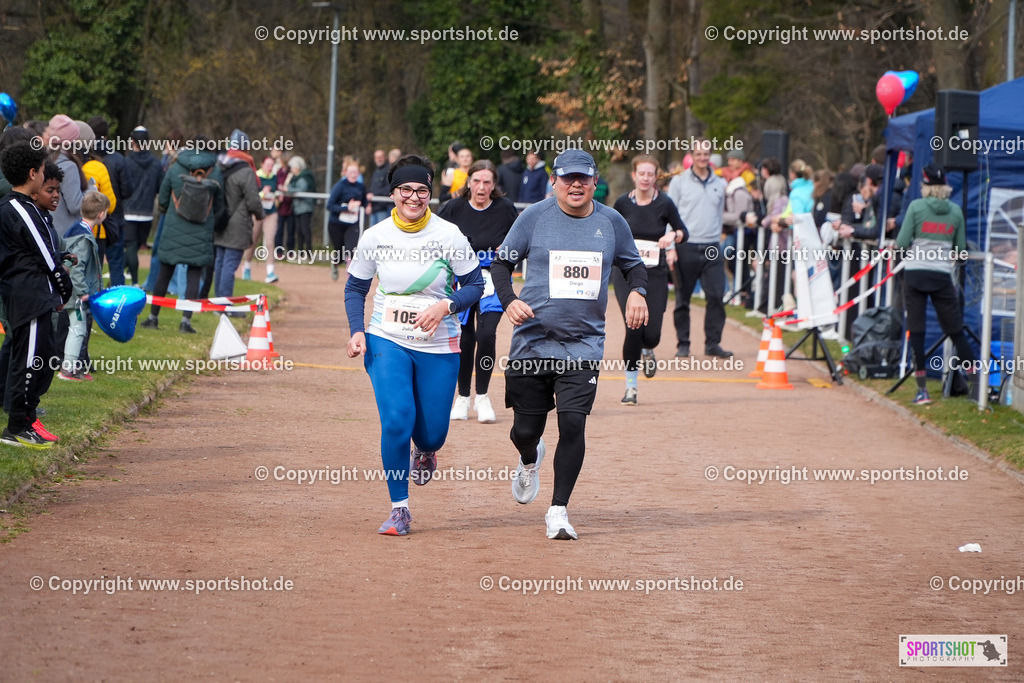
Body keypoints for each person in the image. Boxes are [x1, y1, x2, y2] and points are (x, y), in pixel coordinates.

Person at [489, 149, 648, 540]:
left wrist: (638, 292)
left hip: (583, 345)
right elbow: (501, 263)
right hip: (532, 341)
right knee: (524, 430)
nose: (575, 185)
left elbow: (634, 265)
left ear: (596, 182)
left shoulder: (612, 222)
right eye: (567, 178)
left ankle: (558, 510)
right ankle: (530, 458)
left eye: (583, 178)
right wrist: (509, 301)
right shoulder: (535, 217)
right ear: (555, 182)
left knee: (573, 423)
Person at [344, 154, 484, 536]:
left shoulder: (448, 234)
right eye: (406, 189)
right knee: (396, 419)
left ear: (430, 194)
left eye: (422, 190)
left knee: (431, 432)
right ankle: (399, 508)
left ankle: (426, 451)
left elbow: (476, 284)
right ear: (393, 193)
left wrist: (446, 305)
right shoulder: (375, 237)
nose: (414, 197)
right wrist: (358, 330)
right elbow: (356, 287)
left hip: (439, 345)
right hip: (386, 337)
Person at [0, 141, 73, 447]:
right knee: (28, 361)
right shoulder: (18, 207)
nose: (46, 176)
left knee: (37, 356)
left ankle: (27, 419)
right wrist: (63, 285)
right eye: (43, 171)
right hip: (28, 296)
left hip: (33, 295)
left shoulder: (23, 206)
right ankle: (16, 425)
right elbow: (44, 253)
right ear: (32, 174)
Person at [438, 160, 519, 423]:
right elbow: (435, 238)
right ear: (468, 182)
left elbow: (518, 242)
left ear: (494, 185)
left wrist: (506, 253)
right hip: (461, 278)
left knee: (486, 334)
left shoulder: (505, 209)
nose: (481, 187)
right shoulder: (453, 208)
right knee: (465, 336)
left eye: (487, 182)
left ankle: (482, 397)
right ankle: (462, 397)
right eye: (476, 181)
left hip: (493, 278)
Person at [895, 164, 975, 405]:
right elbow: (961, 251)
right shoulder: (955, 212)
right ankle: (978, 387)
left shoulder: (916, 207)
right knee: (955, 331)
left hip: (915, 274)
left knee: (917, 331)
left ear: (925, 185)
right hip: (941, 276)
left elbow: (901, 243)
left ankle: (922, 391)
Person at [611, 155, 687, 404]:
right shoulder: (622, 203)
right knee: (633, 325)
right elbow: (610, 231)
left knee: (651, 334)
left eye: (650, 174)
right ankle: (631, 387)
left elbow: (683, 231)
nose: (645, 178)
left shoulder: (664, 203)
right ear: (633, 175)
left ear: (656, 177)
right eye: (641, 173)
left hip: (654, 273)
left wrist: (672, 236)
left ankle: (648, 349)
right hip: (627, 273)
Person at [140, 136, 224, 333]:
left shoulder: (176, 166)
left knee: (165, 273)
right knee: (194, 275)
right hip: (201, 229)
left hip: (173, 226)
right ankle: (186, 322)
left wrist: (168, 211)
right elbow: (220, 203)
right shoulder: (215, 171)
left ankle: (153, 317)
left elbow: (162, 197)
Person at [667, 143, 732, 358]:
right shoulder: (679, 181)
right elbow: (670, 214)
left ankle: (713, 343)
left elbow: (721, 213)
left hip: (712, 245)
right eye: (698, 154)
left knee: (716, 295)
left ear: (710, 156)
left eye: (706, 154)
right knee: (682, 298)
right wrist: (671, 246)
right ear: (692, 156)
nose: (703, 157)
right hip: (686, 245)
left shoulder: (720, 183)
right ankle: (683, 344)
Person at [60, 190, 106, 381]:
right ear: (101, 214)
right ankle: (67, 370)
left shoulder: (76, 229)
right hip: (77, 295)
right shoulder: (83, 238)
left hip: (74, 292)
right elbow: (76, 267)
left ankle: (75, 367)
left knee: (79, 328)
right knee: (77, 329)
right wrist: (82, 292)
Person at [214, 129, 264, 303]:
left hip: (219, 220)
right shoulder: (246, 170)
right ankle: (224, 303)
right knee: (229, 264)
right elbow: (253, 199)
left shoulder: (218, 164)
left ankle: (218, 302)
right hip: (238, 223)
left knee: (220, 261)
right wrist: (260, 215)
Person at [88, 116, 134, 286]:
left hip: (92, 220)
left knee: (92, 265)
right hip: (114, 217)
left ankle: (92, 306)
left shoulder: (84, 159)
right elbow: (128, 190)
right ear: (106, 136)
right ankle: (118, 304)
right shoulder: (118, 159)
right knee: (116, 265)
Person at [123, 126, 163, 286]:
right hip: (147, 212)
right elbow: (160, 188)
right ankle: (128, 278)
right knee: (136, 248)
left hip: (129, 211)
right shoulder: (156, 163)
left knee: (131, 248)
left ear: (132, 141)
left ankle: (133, 280)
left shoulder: (126, 162)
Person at [326, 160, 369, 280]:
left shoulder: (361, 187)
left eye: (356, 172)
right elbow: (329, 206)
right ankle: (335, 263)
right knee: (339, 252)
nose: (354, 174)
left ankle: (350, 274)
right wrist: (346, 208)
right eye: (351, 172)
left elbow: (364, 203)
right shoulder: (339, 186)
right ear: (345, 173)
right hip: (336, 224)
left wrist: (367, 207)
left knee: (351, 249)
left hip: (353, 224)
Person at [243, 155, 279, 283]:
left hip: (271, 213)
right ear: (262, 164)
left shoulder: (274, 177)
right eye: (268, 165)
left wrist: (278, 195)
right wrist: (263, 193)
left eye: (272, 165)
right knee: (252, 241)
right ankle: (247, 267)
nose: (270, 168)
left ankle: (270, 272)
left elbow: (276, 191)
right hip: (257, 212)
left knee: (269, 241)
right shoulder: (255, 176)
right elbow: (250, 195)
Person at [286, 156, 315, 255]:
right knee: (298, 231)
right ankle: (300, 252)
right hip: (297, 208)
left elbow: (301, 190)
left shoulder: (304, 178)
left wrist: (288, 189)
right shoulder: (295, 178)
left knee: (305, 230)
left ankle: (308, 252)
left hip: (305, 207)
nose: (291, 169)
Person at [367, 148, 391, 226]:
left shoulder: (389, 170)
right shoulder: (376, 171)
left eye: (381, 157)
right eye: (377, 157)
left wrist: (374, 194)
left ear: (385, 157)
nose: (379, 159)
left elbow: (389, 188)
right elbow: (373, 187)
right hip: (374, 208)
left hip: (384, 208)